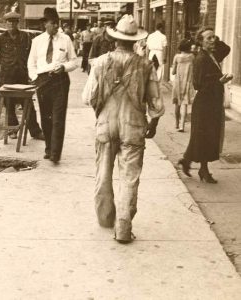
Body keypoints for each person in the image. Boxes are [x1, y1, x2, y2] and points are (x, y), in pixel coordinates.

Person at [82, 15, 164, 243]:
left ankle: (106, 217)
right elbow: (156, 103)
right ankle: (124, 227)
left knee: (103, 174)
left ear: (114, 38)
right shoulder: (146, 65)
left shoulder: (99, 63)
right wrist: (153, 122)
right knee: (129, 178)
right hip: (134, 124)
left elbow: (87, 97)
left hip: (106, 125)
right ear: (135, 40)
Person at [178, 28, 232, 183]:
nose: (213, 40)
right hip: (204, 103)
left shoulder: (212, 55)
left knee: (204, 136)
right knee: (204, 136)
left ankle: (188, 162)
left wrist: (215, 39)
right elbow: (197, 85)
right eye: (208, 38)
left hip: (213, 101)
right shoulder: (201, 59)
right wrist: (219, 82)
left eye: (214, 37)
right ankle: (203, 170)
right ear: (200, 42)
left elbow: (226, 49)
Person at [27, 8, 77, 164]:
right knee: (46, 118)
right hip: (43, 82)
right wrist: (35, 78)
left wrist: (63, 67)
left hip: (60, 81)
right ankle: (48, 149)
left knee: (58, 119)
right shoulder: (37, 41)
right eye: (53, 23)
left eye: (57, 23)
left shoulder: (65, 39)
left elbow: (74, 61)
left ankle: (56, 153)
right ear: (45, 24)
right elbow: (31, 64)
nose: (56, 26)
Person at [0, 11, 44, 140]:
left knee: (28, 103)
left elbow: (34, 52)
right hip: (7, 76)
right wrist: (1, 63)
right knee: (9, 104)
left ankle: (35, 132)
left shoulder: (26, 36)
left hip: (23, 75)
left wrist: (32, 68)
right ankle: (13, 130)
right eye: (9, 22)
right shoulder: (1, 38)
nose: (12, 24)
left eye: (14, 21)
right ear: (5, 23)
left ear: (18, 23)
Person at [172, 39, 195, 132]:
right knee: (184, 104)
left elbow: (173, 72)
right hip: (188, 82)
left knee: (177, 104)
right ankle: (182, 126)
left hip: (178, 82)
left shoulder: (177, 57)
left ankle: (176, 123)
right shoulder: (192, 57)